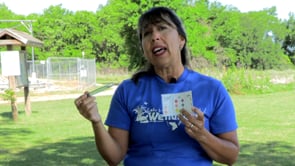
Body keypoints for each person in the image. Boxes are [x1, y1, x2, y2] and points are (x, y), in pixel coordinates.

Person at [75, 6, 239, 166]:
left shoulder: (212, 89)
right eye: (147, 33)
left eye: (162, 28)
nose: (155, 37)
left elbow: (231, 156)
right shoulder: (128, 90)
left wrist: (202, 135)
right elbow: (114, 157)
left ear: (181, 40)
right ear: (143, 49)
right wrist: (96, 121)